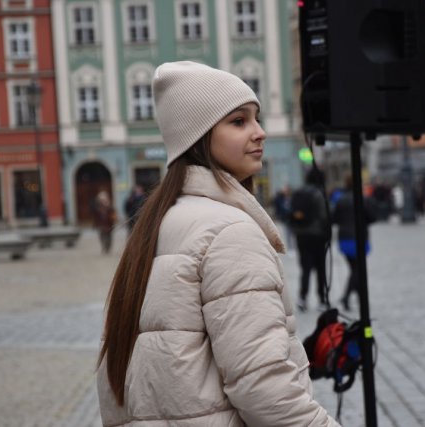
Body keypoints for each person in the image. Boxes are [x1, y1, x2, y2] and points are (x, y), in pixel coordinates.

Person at [96, 61, 339, 426]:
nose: (260, 133)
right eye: (239, 121)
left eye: (257, 118)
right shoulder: (229, 232)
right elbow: (264, 388)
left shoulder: (159, 224)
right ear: (199, 136)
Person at [332, 172, 377, 311]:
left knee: (354, 269)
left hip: (345, 238)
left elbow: (334, 218)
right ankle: (346, 296)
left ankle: (359, 295)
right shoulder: (364, 198)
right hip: (359, 237)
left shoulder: (340, 199)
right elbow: (373, 217)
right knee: (357, 270)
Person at [290, 168, 330, 312]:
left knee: (305, 268)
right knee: (320, 268)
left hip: (301, 235)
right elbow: (323, 215)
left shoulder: (299, 192)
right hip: (317, 235)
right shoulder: (318, 193)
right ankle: (322, 299)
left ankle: (303, 297)